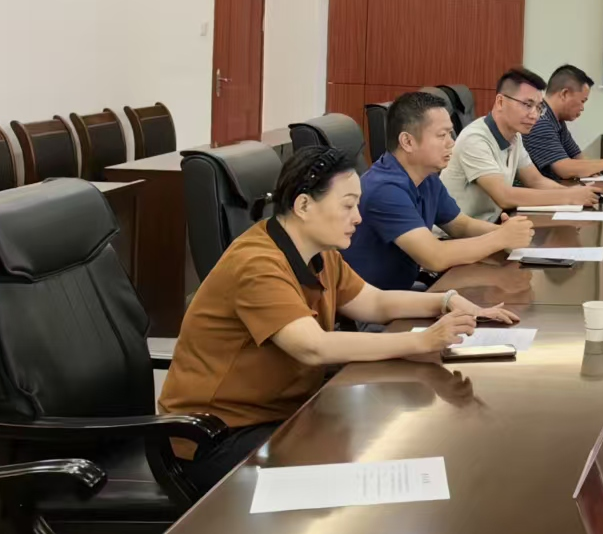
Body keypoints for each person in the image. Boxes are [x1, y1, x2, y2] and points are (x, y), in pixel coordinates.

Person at [159, 145, 518, 491]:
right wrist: (422, 340)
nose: (357, 217)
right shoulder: (257, 264)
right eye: (347, 205)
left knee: (392, 440)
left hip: (282, 414)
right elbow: (312, 347)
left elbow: (374, 302)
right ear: (303, 205)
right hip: (216, 437)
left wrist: (447, 301)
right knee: (365, 472)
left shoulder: (319, 253)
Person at [343, 90, 535, 292]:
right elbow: (435, 257)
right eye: (442, 135)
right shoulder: (385, 189)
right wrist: (500, 238)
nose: (451, 142)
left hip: (400, 292)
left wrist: (507, 232)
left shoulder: (426, 176)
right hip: (371, 303)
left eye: (450, 134)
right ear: (407, 142)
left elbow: (460, 225)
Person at [443, 68, 601, 219]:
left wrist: (576, 192)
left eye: (538, 108)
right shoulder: (475, 139)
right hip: (457, 234)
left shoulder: (515, 137)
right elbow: (504, 196)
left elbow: (536, 181)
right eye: (527, 105)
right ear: (500, 102)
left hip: (491, 225)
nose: (534, 115)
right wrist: (568, 196)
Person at [522, 64, 603, 181]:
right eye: (582, 101)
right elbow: (564, 169)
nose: (582, 108)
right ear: (564, 94)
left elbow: (578, 158)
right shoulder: (540, 121)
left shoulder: (557, 120)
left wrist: (601, 166)